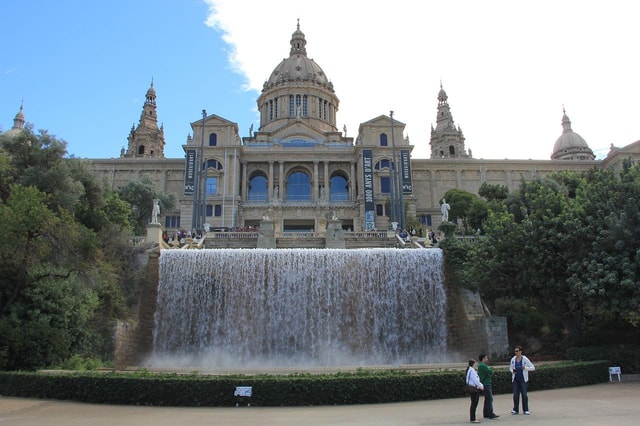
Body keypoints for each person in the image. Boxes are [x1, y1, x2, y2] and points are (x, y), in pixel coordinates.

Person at [510, 345, 536, 415]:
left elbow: (533, 367)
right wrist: (513, 371)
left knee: (524, 394)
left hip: (523, 380)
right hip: (515, 379)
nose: (516, 353)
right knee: (515, 395)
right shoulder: (513, 359)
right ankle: (515, 409)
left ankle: (526, 409)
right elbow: (510, 368)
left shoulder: (525, 359)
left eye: (517, 351)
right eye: (515, 351)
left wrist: (525, 368)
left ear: (520, 351)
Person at [478, 353, 499, 419]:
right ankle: (490, 413)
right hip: (486, 383)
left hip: (484, 383)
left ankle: (486, 413)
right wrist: (490, 371)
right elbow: (490, 372)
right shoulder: (483, 366)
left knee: (487, 399)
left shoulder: (480, 365)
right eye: (486, 357)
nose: (487, 359)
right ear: (483, 358)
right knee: (489, 399)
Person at [466, 359, 484, 423]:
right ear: (473, 364)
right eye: (475, 363)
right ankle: (473, 418)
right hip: (474, 389)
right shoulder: (472, 371)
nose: (476, 365)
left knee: (473, 403)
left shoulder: (470, 370)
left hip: (471, 388)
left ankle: (473, 418)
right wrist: (481, 386)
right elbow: (476, 381)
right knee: (474, 403)